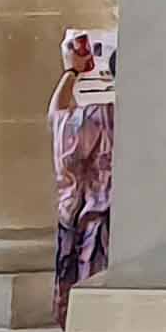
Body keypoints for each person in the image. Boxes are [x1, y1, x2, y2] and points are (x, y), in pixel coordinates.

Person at [49, 27, 114, 311]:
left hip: (90, 225)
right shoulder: (126, 117)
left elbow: (57, 118)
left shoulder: (98, 116)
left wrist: (71, 71)